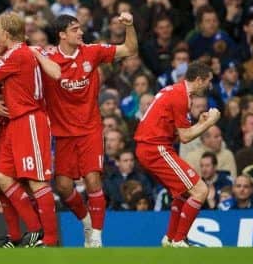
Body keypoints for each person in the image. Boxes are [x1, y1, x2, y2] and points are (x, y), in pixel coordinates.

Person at [37, 13, 137, 247]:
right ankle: (87, 221)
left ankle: (96, 237)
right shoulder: (48, 57)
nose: (80, 33)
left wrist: (129, 25)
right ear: (61, 35)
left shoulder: (92, 52)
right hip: (62, 133)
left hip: (90, 129)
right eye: (74, 29)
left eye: (80, 28)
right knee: (62, 187)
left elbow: (130, 48)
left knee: (93, 180)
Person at [0, 12, 61, 247]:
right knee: (3, 177)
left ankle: (51, 241)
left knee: (37, 182)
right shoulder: (18, 54)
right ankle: (35, 230)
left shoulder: (18, 54)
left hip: (30, 121)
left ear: (6, 33)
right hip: (16, 122)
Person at [134, 61, 221, 247]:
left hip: (151, 147)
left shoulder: (175, 91)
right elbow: (185, 137)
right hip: (155, 148)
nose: (210, 85)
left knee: (183, 192)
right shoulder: (181, 96)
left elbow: (178, 131)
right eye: (209, 81)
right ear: (198, 80)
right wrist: (209, 123)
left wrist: (199, 123)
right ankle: (179, 241)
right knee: (201, 190)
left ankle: (171, 238)